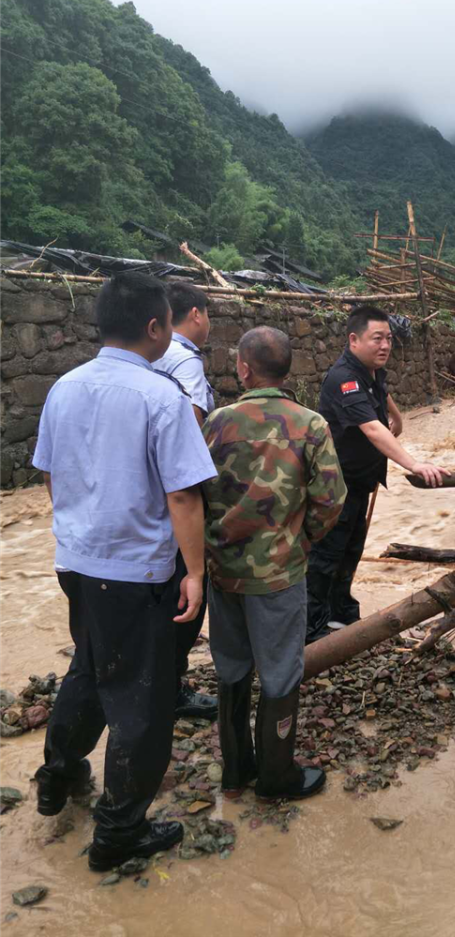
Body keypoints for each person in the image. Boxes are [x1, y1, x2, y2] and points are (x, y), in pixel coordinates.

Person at [31, 272, 217, 872]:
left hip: (78, 563)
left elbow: (51, 476)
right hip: (138, 573)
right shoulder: (160, 396)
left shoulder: (64, 386)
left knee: (89, 667)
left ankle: (58, 778)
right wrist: (195, 572)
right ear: (155, 326)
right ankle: (118, 832)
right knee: (143, 697)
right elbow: (184, 497)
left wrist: (82, 531)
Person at [202, 327, 346, 801]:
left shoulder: (216, 422)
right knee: (281, 673)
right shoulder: (311, 425)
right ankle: (277, 777)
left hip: (223, 572)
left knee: (230, 667)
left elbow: (193, 494)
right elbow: (331, 499)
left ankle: (235, 770)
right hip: (280, 575)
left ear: (243, 367)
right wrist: (299, 541)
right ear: (289, 369)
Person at [306, 305, 450, 643]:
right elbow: (371, 428)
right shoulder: (344, 378)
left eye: (388, 338)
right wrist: (415, 464)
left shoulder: (370, 371)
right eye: (377, 339)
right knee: (325, 557)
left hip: (358, 484)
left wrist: (398, 419)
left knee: (350, 552)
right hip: (335, 488)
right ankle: (310, 632)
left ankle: (340, 616)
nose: (385, 345)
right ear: (353, 339)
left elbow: (380, 396)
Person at [152, 281, 218, 720]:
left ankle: (148, 679)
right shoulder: (186, 361)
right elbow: (188, 431)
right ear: (195, 314)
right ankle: (168, 689)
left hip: (140, 500)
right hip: (175, 500)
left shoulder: (152, 358)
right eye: (208, 315)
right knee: (189, 591)